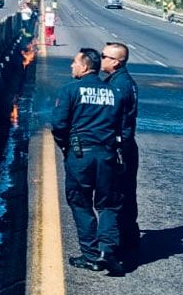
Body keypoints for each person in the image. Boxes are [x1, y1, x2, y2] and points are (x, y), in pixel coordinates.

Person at [51, 48, 128, 275]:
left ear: (84, 67)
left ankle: (91, 255)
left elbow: (59, 125)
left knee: (81, 203)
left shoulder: (69, 91)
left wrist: (67, 147)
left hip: (80, 155)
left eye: (74, 62)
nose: (71, 66)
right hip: (107, 155)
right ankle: (107, 249)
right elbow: (123, 127)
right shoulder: (115, 92)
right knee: (108, 204)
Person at [101, 41, 139, 255]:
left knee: (116, 194)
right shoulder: (124, 81)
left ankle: (118, 243)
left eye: (104, 56)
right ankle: (130, 238)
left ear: (116, 62)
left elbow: (111, 117)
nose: (101, 59)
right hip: (127, 145)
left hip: (120, 147)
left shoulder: (119, 85)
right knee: (127, 192)